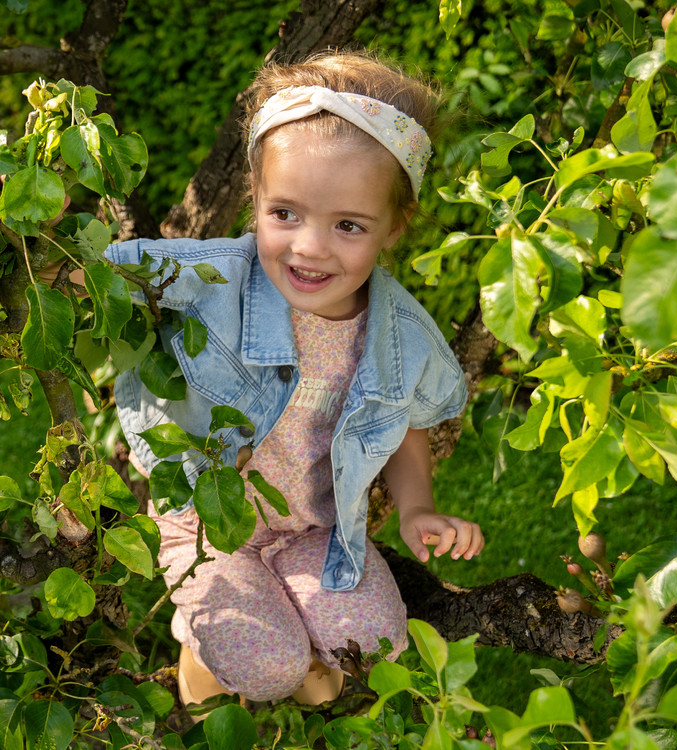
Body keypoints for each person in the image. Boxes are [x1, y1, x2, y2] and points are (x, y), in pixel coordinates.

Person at [108, 51, 485, 707]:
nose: (310, 247)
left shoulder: (399, 336)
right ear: (255, 195)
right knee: (264, 665)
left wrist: (417, 506)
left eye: (348, 225)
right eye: (285, 214)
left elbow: (403, 424)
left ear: (394, 227)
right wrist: (45, 249)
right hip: (208, 521)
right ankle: (204, 671)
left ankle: (298, 669)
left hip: (315, 528)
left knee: (371, 646)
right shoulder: (211, 278)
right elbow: (102, 272)